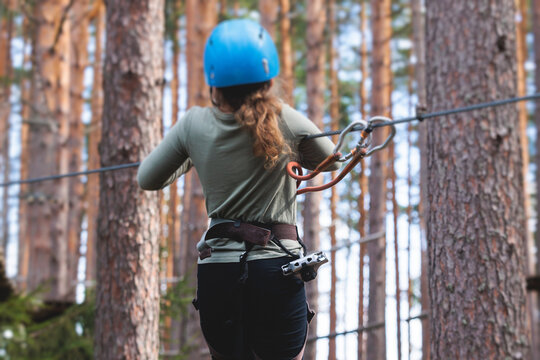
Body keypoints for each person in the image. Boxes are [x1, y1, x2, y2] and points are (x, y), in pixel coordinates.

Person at [138, 19, 338, 360]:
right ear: (269, 75)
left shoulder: (193, 125)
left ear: (213, 80)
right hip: (276, 270)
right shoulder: (285, 120)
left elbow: (148, 179)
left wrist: (195, 153)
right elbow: (331, 161)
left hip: (219, 271)